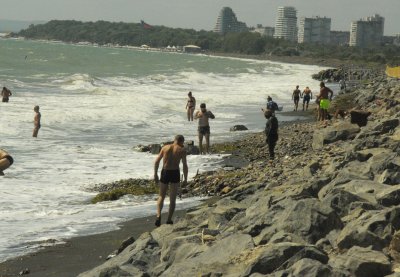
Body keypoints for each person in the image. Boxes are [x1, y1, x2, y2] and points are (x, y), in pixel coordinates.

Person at [154, 135, 188, 227]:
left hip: (165, 172)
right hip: (175, 173)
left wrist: (155, 174)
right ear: (181, 141)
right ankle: (168, 220)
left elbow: (157, 161)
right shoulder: (182, 150)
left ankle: (158, 215)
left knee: (161, 195)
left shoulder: (165, 147)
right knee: (172, 199)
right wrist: (185, 178)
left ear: (174, 140)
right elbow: (185, 165)